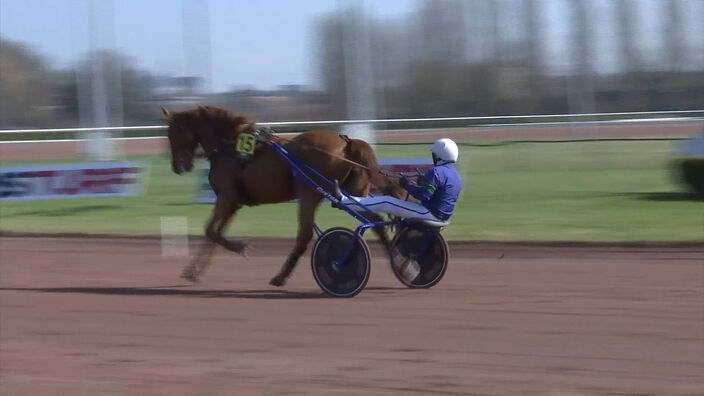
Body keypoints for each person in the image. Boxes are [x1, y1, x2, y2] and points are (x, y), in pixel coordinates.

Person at [335, 138, 463, 222]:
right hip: (443, 216)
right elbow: (437, 192)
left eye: (434, 155)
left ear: (438, 155)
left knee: (387, 201)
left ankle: (344, 201)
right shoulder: (455, 174)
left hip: (429, 213)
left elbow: (424, 195)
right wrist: (422, 182)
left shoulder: (436, 172)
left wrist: (406, 185)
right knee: (389, 202)